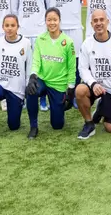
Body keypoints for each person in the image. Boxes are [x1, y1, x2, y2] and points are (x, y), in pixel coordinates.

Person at [75, 9, 111, 140]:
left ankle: (100, 109)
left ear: (107, 21)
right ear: (91, 24)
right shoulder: (87, 43)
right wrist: (93, 84)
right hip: (95, 87)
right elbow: (82, 69)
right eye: (95, 21)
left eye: (101, 20)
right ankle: (89, 124)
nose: (99, 23)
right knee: (80, 90)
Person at [23, 8, 76, 139]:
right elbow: (36, 60)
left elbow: (71, 68)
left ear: (59, 21)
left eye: (55, 20)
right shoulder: (40, 39)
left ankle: (58, 105)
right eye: (49, 20)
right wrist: (33, 76)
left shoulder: (68, 42)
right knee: (31, 90)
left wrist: (70, 89)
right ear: (45, 21)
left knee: (57, 125)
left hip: (58, 84)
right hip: (42, 80)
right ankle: (33, 127)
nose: (52, 23)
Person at [0, 14, 32, 139]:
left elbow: (29, 66)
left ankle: (15, 106)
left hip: (16, 89)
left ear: (18, 27)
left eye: (12, 25)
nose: (9, 28)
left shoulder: (26, 43)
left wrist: (27, 86)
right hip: (0, 84)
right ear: (3, 27)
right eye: (7, 25)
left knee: (13, 126)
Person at [11, 0, 52, 111]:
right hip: (23, 33)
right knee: (23, 66)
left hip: (40, 32)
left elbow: (49, 8)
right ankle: (24, 96)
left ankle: (42, 98)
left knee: (41, 66)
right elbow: (15, 9)